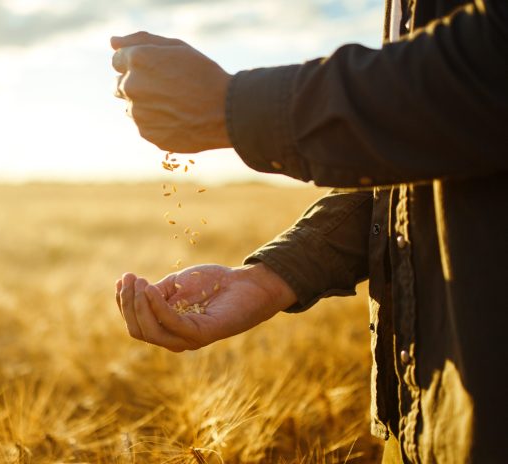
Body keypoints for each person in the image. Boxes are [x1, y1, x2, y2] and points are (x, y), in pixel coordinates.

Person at [110, 0, 508, 461]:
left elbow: (492, 63)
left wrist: (237, 107)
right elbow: (420, 167)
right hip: (427, 421)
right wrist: (270, 276)